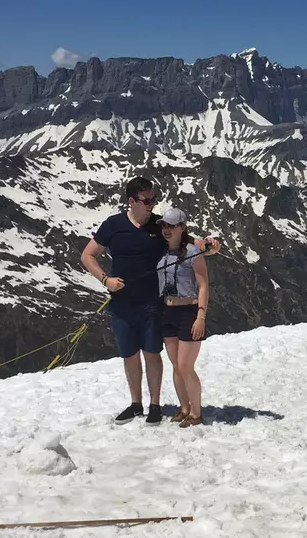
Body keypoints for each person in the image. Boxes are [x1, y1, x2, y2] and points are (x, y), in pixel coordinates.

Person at [80, 177, 220, 425]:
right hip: (122, 303)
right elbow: (88, 255)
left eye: (154, 199)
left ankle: (155, 405)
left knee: (152, 353)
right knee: (129, 354)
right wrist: (105, 280)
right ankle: (136, 404)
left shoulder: (158, 225)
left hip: (154, 304)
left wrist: (208, 246)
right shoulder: (113, 225)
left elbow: (187, 241)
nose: (152, 204)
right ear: (132, 201)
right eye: (147, 200)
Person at [155, 207, 209, 428]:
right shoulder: (162, 252)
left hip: (188, 311)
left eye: (171, 226)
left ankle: (196, 413)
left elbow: (203, 285)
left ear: (182, 228)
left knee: (186, 366)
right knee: (176, 366)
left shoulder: (193, 252)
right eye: (164, 226)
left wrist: (201, 316)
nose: (166, 230)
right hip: (167, 311)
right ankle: (184, 407)